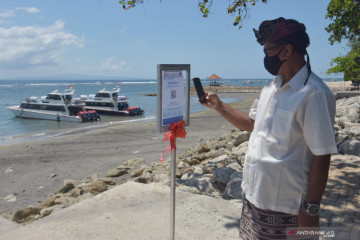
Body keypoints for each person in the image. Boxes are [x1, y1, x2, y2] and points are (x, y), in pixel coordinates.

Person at [202, 17, 337, 239]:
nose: (265, 57)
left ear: (287, 51)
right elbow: (253, 125)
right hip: (254, 200)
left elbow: (322, 155)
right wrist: (220, 107)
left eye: (268, 51)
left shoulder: (314, 94)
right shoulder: (271, 86)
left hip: (288, 209)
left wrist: (311, 209)